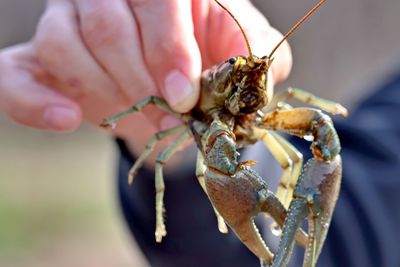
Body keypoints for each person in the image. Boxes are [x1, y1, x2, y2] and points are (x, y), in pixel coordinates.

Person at [1, 1, 399, 266]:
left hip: (237, 140)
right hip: (196, 127)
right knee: (161, 153)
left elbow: (319, 158)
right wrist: (173, 158)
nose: (253, 81)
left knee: (301, 148)